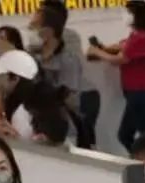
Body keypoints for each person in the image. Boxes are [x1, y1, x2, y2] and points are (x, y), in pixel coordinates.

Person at [88, 1, 145, 152]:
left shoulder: (143, 37)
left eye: (128, 12)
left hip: (142, 92)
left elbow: (120, 59)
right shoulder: (133, 37)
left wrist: (97, 52)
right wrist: (103, 48)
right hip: (133, 92)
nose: (124, 15)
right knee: (134, 135)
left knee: (140, 135)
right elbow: (120, 47)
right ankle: (142, 163)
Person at [30, 1, 101, 149]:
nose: (31, 29)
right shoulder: (35, 49)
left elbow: (65, 83)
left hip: (82, 96)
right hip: (54, 110)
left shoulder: (68, 40)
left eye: (35, 23)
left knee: (83, 142)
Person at [34, 5, 84, 132]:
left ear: (49, 30)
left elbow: (69, 97)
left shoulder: (68, 59)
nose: (32, 29)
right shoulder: (33, 56)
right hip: (39, 121)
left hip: (63, 123)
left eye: (36, 25)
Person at [0, 50, 41, 138]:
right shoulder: (19, 105)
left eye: (0, 75)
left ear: (15, 79)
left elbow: (21, 148)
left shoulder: (22, 113)